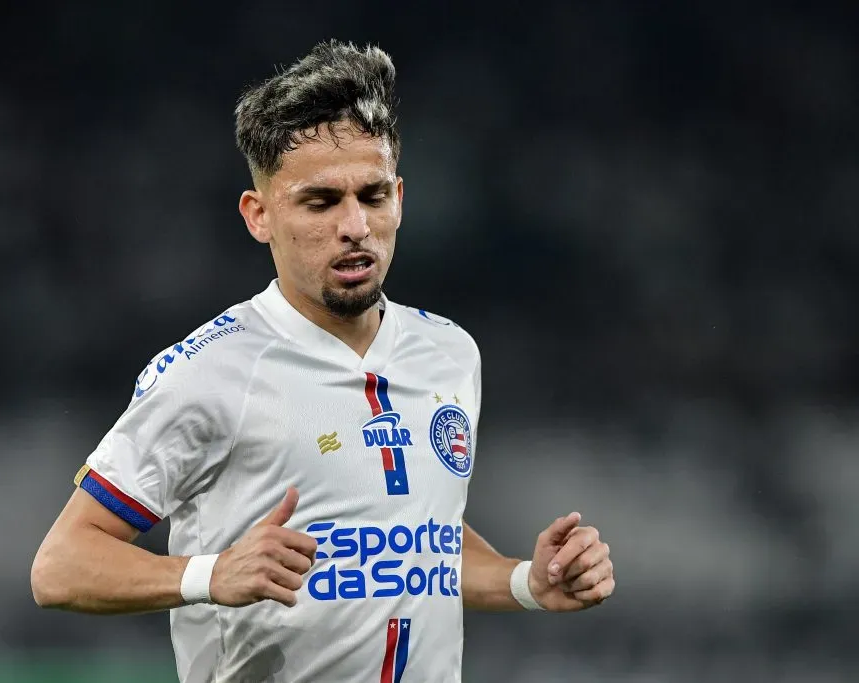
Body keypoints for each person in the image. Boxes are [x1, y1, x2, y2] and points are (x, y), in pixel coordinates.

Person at [31, 39, 615, 682]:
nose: (355, 225)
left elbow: (417, 542)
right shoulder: (211, 369)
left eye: (371, 196)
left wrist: (527, 582)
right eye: (320, 202)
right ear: (259, 216)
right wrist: (210, 574)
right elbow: (60, 564)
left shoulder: (449, 353)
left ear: (400, 197)